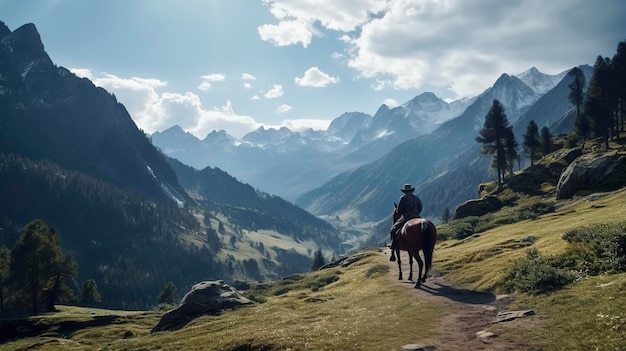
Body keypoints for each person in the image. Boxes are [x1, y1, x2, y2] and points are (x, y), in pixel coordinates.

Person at [389, 183, 423, 261]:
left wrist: (401, 212)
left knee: (393, 229)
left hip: (407, 217)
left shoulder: (403, 198)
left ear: (404, 191)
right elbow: (420, 207)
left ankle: (393, 246)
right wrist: (416, 213)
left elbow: (399, 210)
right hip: (417, 216)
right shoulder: (416, 198)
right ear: (411, 190)